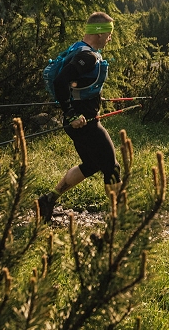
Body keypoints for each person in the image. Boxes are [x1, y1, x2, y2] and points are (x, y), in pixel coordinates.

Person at [37, 12, 122, 222]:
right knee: (112, 167)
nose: (110, 38)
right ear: (100, 32)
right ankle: (118, 219)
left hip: (80, 121)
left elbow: (79, 86)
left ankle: (48, 200)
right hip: (84, 124)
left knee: (92, 164)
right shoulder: (88, 56)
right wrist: (72, 113)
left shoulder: (79, 47)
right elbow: (60, 82)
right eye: (109, 33)